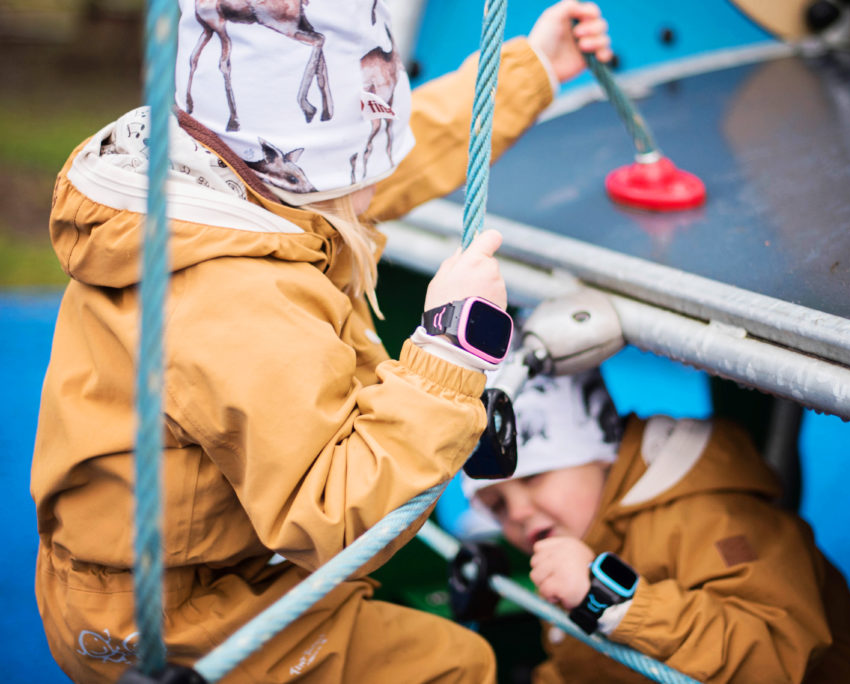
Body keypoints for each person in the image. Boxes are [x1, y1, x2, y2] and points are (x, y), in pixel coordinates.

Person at [30, 1, 612, 682]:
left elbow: (399, 150)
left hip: (192, 574)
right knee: (455, 666)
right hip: (168, 620)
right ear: (302, 164)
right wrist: (452, 351)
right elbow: (336, 521)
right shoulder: (235, 295)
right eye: (364, 159)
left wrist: (532, 69)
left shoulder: (220, 185)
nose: (381, 174)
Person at [463, 369, 850, 683]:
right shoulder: (576, 541)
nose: (516, 514)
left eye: (535, 477)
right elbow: (585, 666)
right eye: (496, 505)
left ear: (600, 451)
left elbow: (774, 656)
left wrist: (612, 603)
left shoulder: (713, 512)